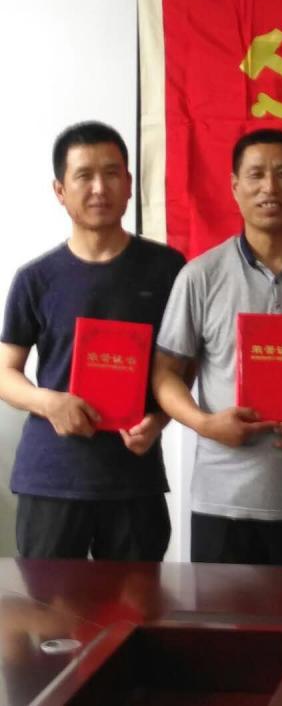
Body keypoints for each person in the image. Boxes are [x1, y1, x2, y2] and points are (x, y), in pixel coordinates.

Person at [152, 128, 282, 566]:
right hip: (223, 500)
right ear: (234, 187)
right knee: (221, 613)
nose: (270, 187)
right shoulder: (200, 275)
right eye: (256, 175)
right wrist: (206, 424)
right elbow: (165, 372)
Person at [0, 121, 185, 560]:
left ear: (129, 184)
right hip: (53, 476)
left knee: (138, 600)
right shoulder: (36, 278)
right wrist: (50, 403)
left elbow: (183, 362)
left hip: (133, 475)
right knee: (49, 602)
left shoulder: (167, 269)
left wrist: (160, 419)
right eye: (84, 175)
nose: (99, 188)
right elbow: (5, 372)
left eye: (111, 173)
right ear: (60, 190)